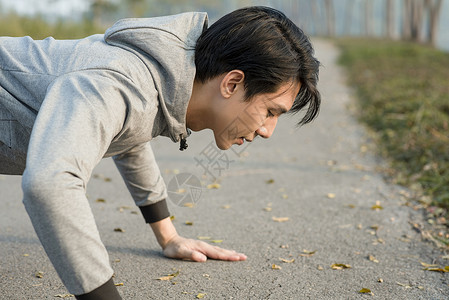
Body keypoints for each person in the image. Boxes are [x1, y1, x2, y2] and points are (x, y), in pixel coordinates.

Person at [0, 6, 320, 299]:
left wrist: (168, 236)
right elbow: (50, 185)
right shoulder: (124, 85)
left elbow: (127, 131)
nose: (267, 131)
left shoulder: (157, 80)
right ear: (232, 84)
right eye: (270, 112)